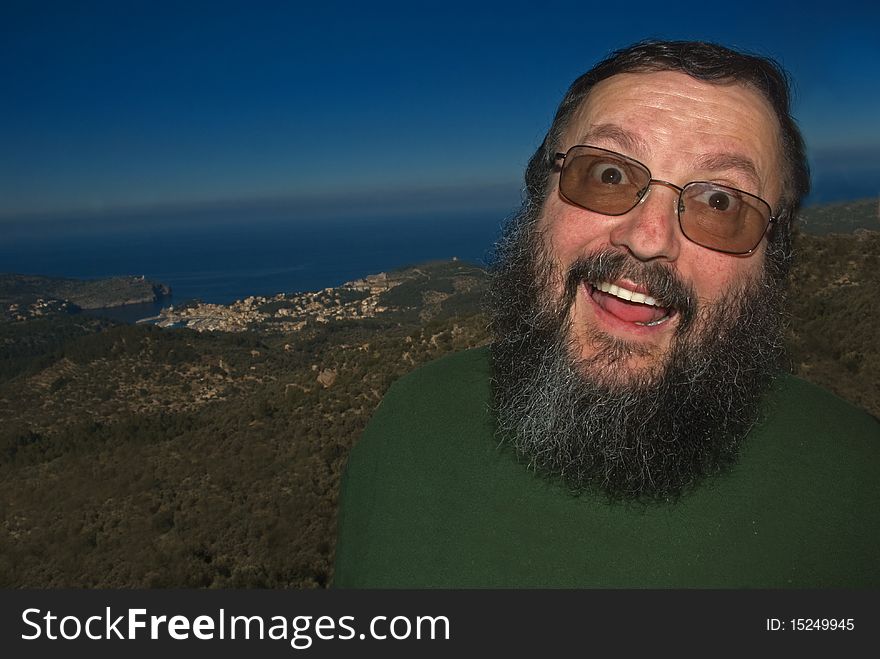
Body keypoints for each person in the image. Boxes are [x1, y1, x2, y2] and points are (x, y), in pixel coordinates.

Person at [332, 40, 880, 588]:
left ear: (772, 259)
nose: (648, 238)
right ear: (538, 200)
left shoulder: (857, 486)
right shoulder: (410, 424)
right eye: (609, 175)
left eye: (722, 203)